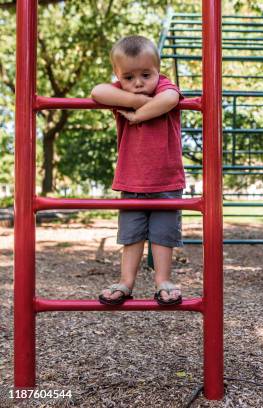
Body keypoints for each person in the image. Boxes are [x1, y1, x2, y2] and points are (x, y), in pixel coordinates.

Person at [91, 36, 185, 306]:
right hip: (132, 180)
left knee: (163, 235)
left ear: (158, 70)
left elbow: (169, 99)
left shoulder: (164, 88)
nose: (139, 83)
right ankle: (126, 282)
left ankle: (163, 281)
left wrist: (140, 114)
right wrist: (134, 101)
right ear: (118, 77)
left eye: (146, 74)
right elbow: (98, 92)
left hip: (166, 181)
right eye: (128, 77)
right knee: (130, 235)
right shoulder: (123, 94)